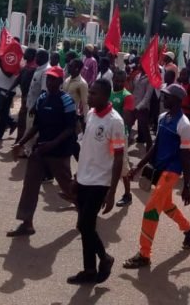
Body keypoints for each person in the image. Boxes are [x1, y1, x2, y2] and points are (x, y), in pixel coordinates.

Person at [123, 84, 190, 269]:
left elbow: (186, 156)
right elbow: (155, 147)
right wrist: (138, 167)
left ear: (178, 101)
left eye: (168, 96)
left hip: (172, 171)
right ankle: (189, 229)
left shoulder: (184, 125)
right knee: (166, 205)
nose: (163, 98)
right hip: (159, 168)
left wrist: (187, 185)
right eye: (164, 95)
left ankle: (144, 254)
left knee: (150, 209)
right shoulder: (163, 118)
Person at [68, 79, 125, 285]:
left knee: (84, 224)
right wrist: (76, 177)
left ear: (106, 96)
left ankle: (105, 258)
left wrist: (112, 192)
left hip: (100, 182)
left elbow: (119, 157)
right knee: (85, 227)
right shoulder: (91, 115)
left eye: (94, 94)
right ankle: (89, 270)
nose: (89, 96)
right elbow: (85, 148)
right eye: (89, 92)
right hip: (83, 178)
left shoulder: (115, 121)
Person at [8, 66, 76, 236]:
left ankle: (82, 208)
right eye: (49, 79)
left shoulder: (66, 101)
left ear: (61, 82)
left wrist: (53, 144)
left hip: (59, 151)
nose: (51, 82)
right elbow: (37, 125)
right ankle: (26, 223)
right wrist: (21, 143)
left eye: (54, 79)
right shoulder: (42, 99)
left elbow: (70, 128)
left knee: (67, 185)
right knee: (29, 185)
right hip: (40, 149)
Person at [109, 70, 135, 207]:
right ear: (113, 79)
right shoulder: (109, 92)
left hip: (119, 135)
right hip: (107, 134)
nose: (118, 83)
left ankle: (127, 195)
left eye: (121, 80)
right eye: (116, 80)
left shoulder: (127, 96)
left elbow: (126, 119)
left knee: (123, 167)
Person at [132, 66, 154, 150]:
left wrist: (139, 107)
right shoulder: (137, 76)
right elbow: (134, 89)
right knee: (129, 124)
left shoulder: (149, 78)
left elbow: (147, 96)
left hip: (142, 108)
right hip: (134, 104)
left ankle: (150, 148)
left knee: (145, 129)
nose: (141, 65)